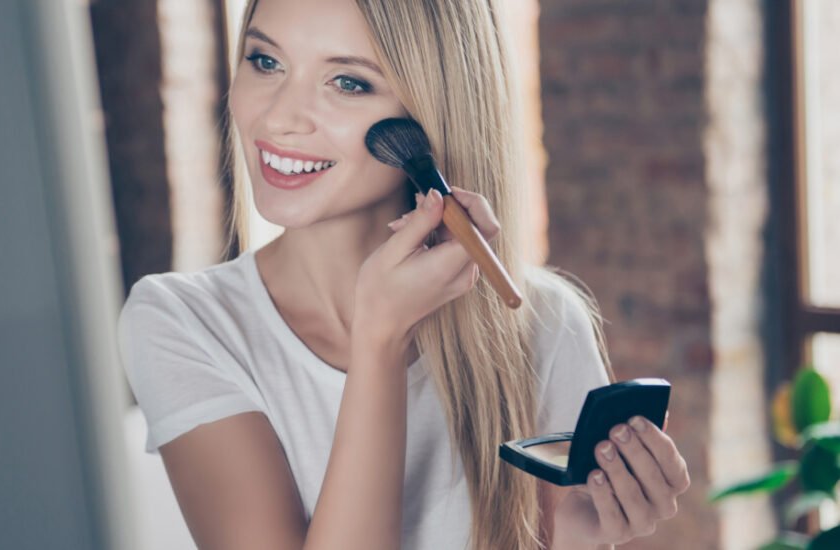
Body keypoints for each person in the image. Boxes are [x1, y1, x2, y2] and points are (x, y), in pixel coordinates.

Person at [117, 0, 691, 548]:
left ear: (432, 114)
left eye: (348, 82)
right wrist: (379, 342)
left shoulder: (544, 322)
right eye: (266, 61)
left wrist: (580, 538)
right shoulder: (183, 324)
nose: (279, 117)